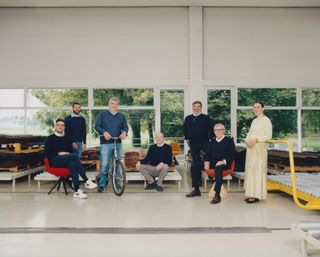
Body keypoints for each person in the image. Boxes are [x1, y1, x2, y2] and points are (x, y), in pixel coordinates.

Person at [44, 118, 97, 199]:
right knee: (75, 156)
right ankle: (86, 180)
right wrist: (59, 153)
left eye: (62, 125)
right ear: (55, 126)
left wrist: (67, 154)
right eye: (58, 125)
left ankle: (77, 191)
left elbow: (70, 151)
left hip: (65, 159)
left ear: (64, 127)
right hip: (54, 160)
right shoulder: (50, 138)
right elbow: (46, 153)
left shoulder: (67, 138)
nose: (60, 127)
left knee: (72, 164)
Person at [95, 97, 129, 193]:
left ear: (118, 105)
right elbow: (97, 126)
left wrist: (125, 132)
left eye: (116, 104)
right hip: (105, 143)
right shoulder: (102, 114)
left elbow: (125, 127)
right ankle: (102, 184)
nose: (115, 105)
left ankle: (117, 183)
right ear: (109, 104)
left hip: (117, 142)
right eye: (113, 103)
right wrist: (104, 132)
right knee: (105, 164)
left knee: (118, 164)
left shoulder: (122, 116)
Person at [244, 102, 272, 204]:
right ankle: (251, 193)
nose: (256, 109)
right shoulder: (254, 121)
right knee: (250, 171)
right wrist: (247, 141)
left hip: (259, 149)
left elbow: (268, 136)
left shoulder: (266, 120)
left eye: (258, 107)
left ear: (263, 108)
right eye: (254, 107)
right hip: (251, 148)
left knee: (258, 171)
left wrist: (256, 140)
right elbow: (249, 133)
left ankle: (257, 194)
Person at [184, 100, 214, 197]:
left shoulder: (206, 117)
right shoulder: (188, 118)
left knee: (209, 158)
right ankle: (196, 189)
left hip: (205, 142)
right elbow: (185, 129)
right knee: (195, 164)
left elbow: (212, 128)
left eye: (198, 106)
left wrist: (210, 139)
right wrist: (188, 139)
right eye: (194, 106)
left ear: (201, 108)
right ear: (192, 107)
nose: (196, 108)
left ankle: (211, 173)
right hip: (194, 144)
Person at [204, 123, 235, 204]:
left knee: (218, 168)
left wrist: (223, 161)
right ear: (214, 131)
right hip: (213, 162)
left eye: (220, 129)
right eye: (216, 130)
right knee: (195, 166)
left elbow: (232, 155)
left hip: (224, 164)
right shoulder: (212, 141)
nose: (218, 131)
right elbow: (207, 154)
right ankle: (196, 190)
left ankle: (217, 195)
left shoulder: (229, 141)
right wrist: (206, 161)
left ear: (223, 130)